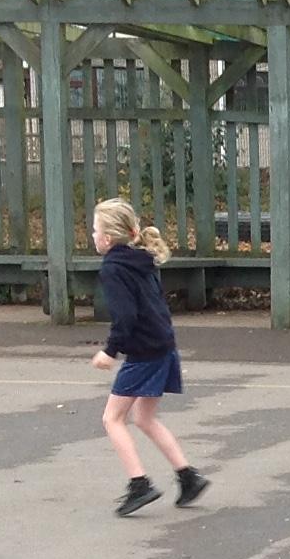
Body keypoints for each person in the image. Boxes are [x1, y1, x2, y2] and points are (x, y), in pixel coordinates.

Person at [88, 199, 208, 518]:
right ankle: (188, 478)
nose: (93, 235)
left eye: (95, 230)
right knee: (144, 418)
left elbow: (125, 316)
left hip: (144, 352)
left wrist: (110, 351)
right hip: (163, 346)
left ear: (108, 238)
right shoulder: (143, 260)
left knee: (112, 419)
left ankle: (139, 484)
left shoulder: (113, 268)